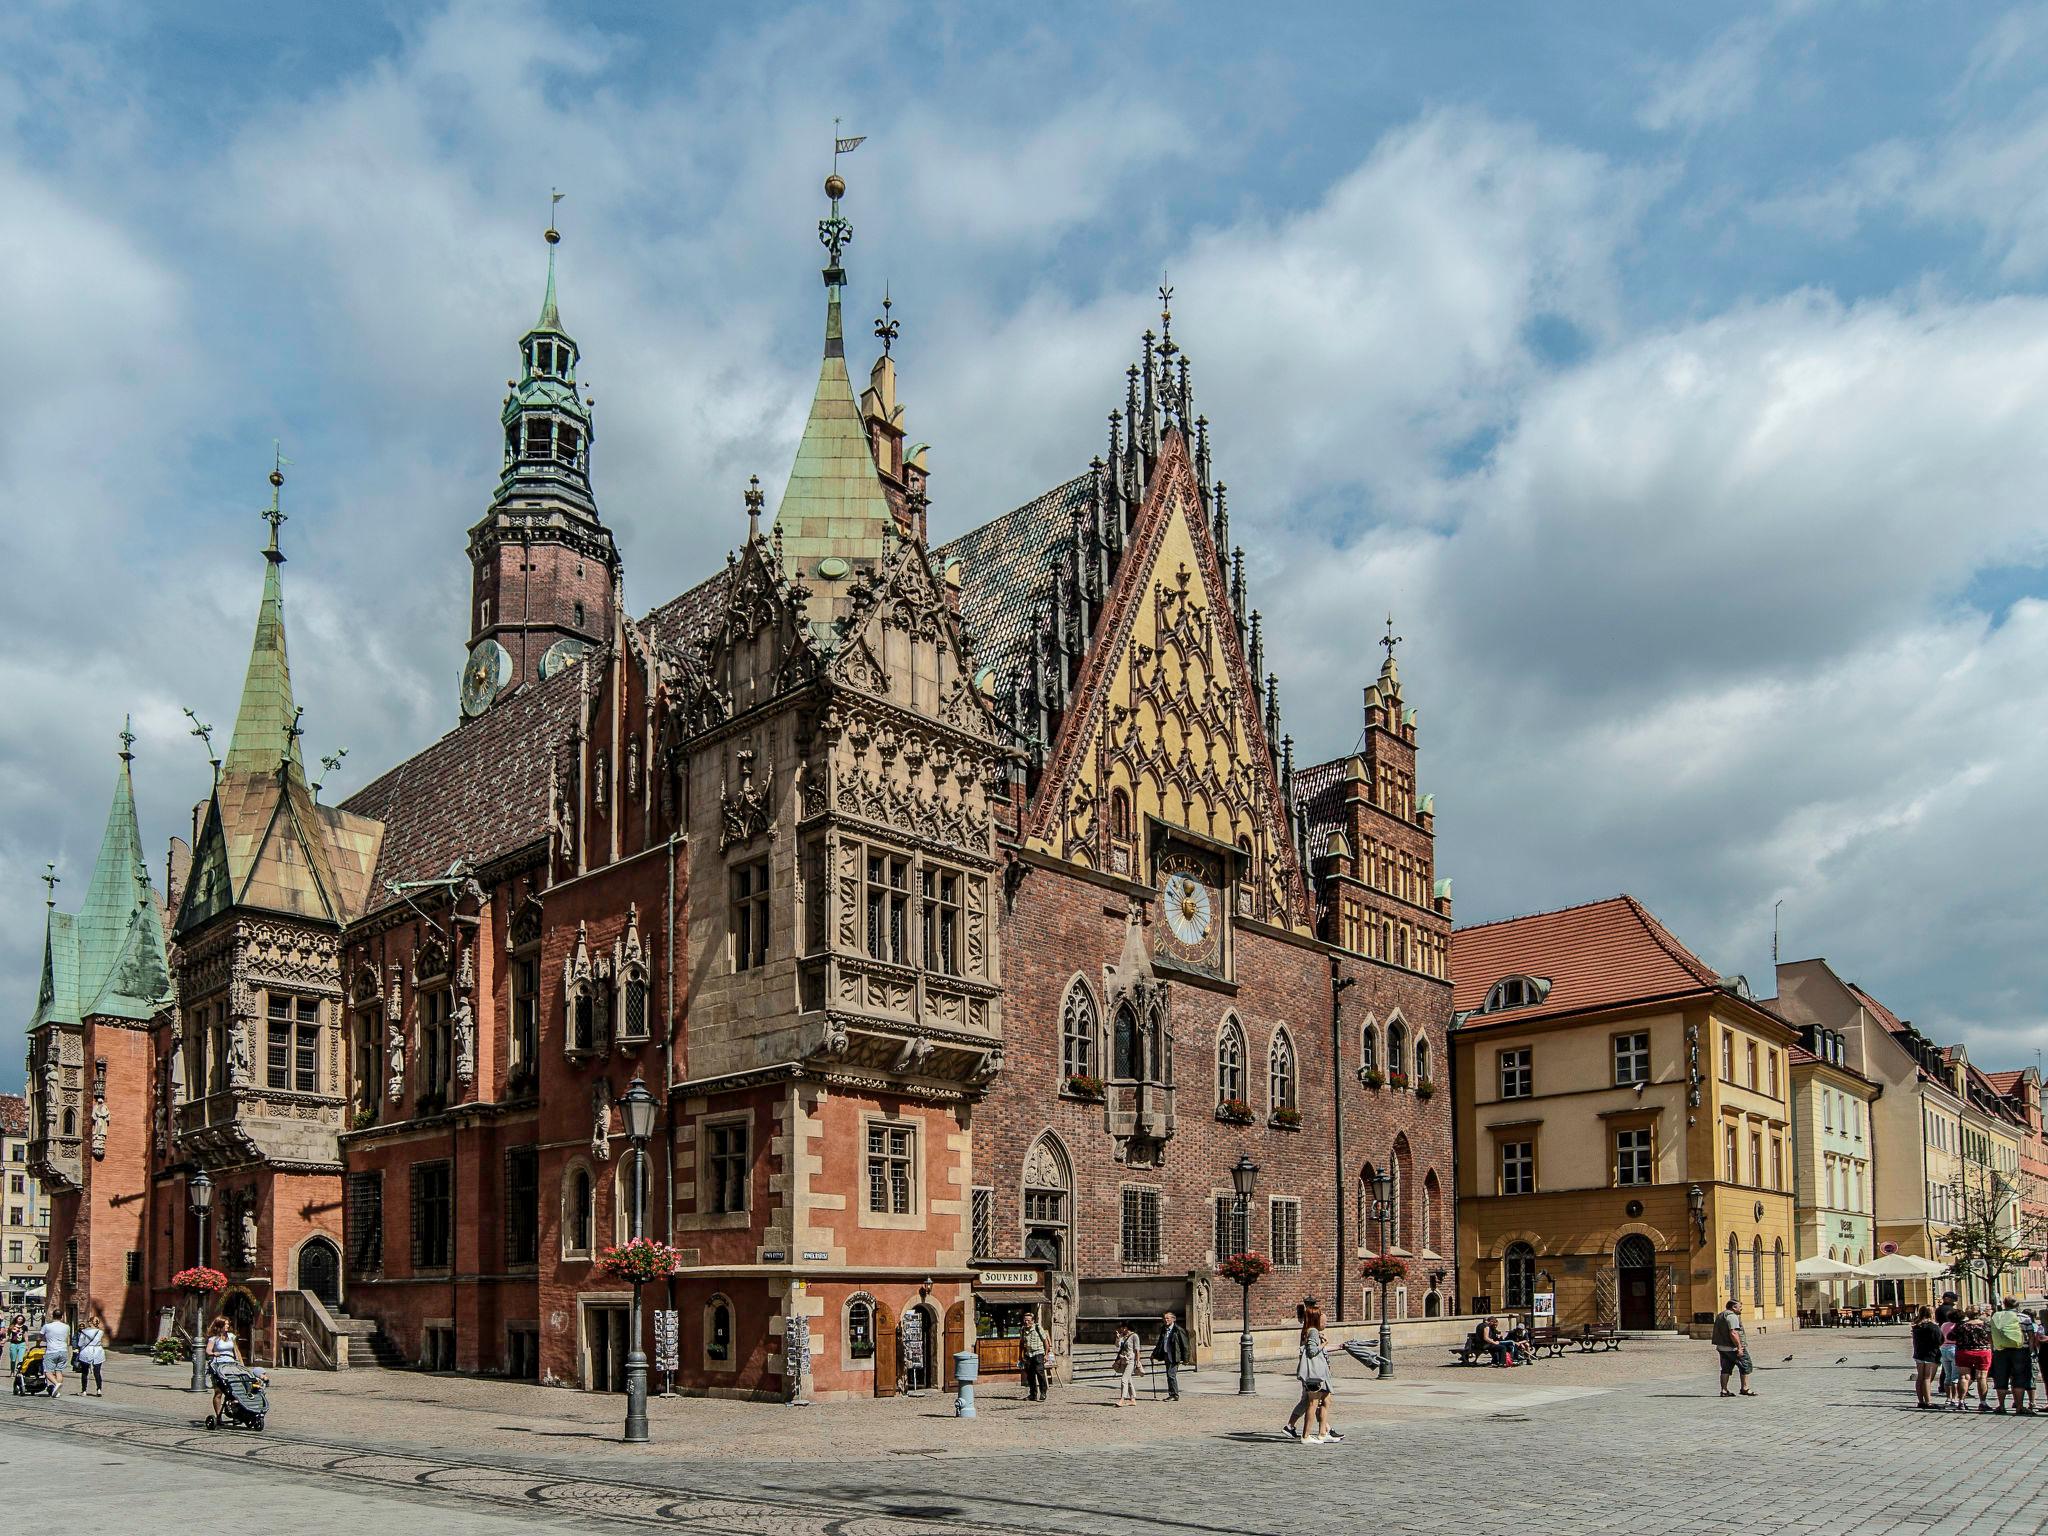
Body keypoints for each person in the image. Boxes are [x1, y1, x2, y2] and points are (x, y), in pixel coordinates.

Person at [1294, 1303, 1341, 1443]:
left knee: (1326, 1399)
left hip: (1321, 1372)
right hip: (1315, 1373)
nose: (1325, 1321)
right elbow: (1312, 1351)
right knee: (1313, 1403)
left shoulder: (1311, 1331)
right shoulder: (1313, 1332)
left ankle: (1322, 1433)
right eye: (1322, 1318)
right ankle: (1306, 1436)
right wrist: (1324, 1343)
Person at [1990, 1296, 2033, 1415]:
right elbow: (2031, 1336)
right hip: (2020, 1350)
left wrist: (1994, 1348)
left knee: (2001, 1377)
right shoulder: (2025, 1318)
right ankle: (2019, 1406)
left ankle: (2001, 1406)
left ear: (2004, 1304)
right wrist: (2031, 1350)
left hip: (2001, 1350)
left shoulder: (1997, 1316)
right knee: (2019, 1378)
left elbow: (1991, 1334)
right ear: (2017, 1305)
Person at [1954, 1305, 1994, 1411]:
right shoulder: (1985, 1325)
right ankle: (1983, 1402)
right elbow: (1991, 1338)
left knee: (1963, 1377)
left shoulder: (1962, 1326)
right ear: (1980, 1313)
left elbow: (1950, 1336)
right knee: (1982, 1377)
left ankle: (1961, 1402)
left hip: (1964, 1351)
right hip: (1982, 1352)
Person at [1713, 1297, 1754, 1397]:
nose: (1741, 1309)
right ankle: (1745, 1388)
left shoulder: (1720, 1315)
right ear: (1734, 1307)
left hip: (1722, 1347)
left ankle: (1724, 1390)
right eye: (1740, 1307)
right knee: (1745, 1365)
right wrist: (1739, 1347)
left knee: (1725, 1368)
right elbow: (1733, 1333)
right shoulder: (1732, 1316)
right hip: (1733, 1348)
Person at [205, 1316, 243, 1421]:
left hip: (231, 1365)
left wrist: (241, 1364)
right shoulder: (214, 1339)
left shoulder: (231, 1336)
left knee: (235, 1390)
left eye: (228, 1324)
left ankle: (236, 1413)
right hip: (218, 1365)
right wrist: (213, 1353)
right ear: (220, 1326)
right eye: (225, 1324)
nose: (227, 1326)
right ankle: (218, 1416)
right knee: (219, 1392)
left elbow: (236, 1351)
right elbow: (208, 1350)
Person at [1151, 1310, 1189, 1401]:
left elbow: (1185, 1345)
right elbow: (1160, 1343)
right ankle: (1172, 1394)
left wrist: (1186, 1359)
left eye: (1167, 1318)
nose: (1165, 1320)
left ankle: (1174, 1394)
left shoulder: (1178, 1330)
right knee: (1169, 1375)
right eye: (1164, 1318)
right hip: (1167, 1355)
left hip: (1175, 1355)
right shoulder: (1164, 1329)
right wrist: (1154, 1354)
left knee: (1171, 1375)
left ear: (1173, 1319)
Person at [1910, 1305, 1943, 1410]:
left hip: (1919, 1353)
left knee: (1920, 1377)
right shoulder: (1933, 1327)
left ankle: (1921, 1401)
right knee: (1927, 1378)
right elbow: (1940, 1340)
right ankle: (1928, 1401)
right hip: (1931, 1354)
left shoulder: (1916, 1326)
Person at [1019, 1309, 1050, 1402]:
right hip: (1028, 1354)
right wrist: (1020, 1356)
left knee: (1039, 1373)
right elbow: (1021, 1343)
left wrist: (1046, 1354)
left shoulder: (1038, 1328)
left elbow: (1045, 1341)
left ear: (1032, 1321)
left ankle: (1043, 1392)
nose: (1026, 1322)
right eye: (1025, 1320)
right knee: (1030, 1375)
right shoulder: (1023, 1329)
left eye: (1028, 1320)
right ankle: (1033, 1394)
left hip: (1038, 1353)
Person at [74, 1312, 107, 1397]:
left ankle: (84, 1390)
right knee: (97, 1372)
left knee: (85, 1372)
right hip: (98, 1350)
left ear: (90, 1322)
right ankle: (99, 1390)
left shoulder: (84, 1332)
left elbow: (80, 1343)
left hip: (87, 1351)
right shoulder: (100, 1332)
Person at [39, 1310, 71, 1398]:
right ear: (62, 1316)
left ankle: (57, 1384)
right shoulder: (66, 1327)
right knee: (59, 1371)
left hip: (51, 1351)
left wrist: (39, 1343)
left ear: (52, 1316)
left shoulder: (47, 1326)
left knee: (47, 1371)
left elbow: (40, 1337)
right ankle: (57, 1392)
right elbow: (67, 1339)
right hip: (63, 1350)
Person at [1111, 1322, 1141, 1406]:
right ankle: (1133, 1399)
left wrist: (1137, 1362)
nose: (1120, 1329)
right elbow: (1117, 1346)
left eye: (1121, 1328)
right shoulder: (1122, 1336)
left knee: (1124, 1379)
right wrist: (1117, 1338)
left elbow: (1137, 1350)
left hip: (1131, 1361)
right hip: (1123, 1360)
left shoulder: (1134, 1336)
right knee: (1128, 1380)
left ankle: (1122, 1399)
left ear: (1126, 1328)